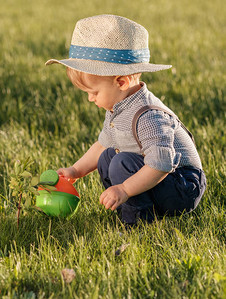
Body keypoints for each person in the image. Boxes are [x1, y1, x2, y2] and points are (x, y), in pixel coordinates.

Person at [45, 14, 206, 225]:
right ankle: (130, 207)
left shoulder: (149, 116)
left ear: (121, 82)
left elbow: (162, 165)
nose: (89, 98)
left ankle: (138, 221)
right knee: (107, 157)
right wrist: (75, 171)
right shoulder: (118, 108)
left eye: (93, 92)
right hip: (159, 177)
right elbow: (103, 145)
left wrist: (124, 188)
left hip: (181, 186)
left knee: (122, 162)